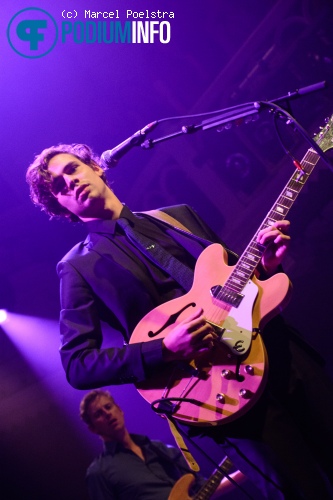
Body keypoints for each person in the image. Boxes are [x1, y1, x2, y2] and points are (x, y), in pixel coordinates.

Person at [26, 143, 333, 499]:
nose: (69, 183)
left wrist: (266, 265)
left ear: (95, 167)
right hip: (221, 392)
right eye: (58, 188)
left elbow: (243, 285)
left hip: (281, 354)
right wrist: (163, 349)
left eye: (72, 170)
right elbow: (78, 365)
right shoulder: (77, 267)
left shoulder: (178, 215)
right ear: (60, 206)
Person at [79, 389, 242, 499]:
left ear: (119, 409)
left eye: (108, 407)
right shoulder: (99, 472)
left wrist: (245, 471)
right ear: (92, 428)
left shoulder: (159, 449)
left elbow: (204, 488)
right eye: (98, 414)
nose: (107, 414)